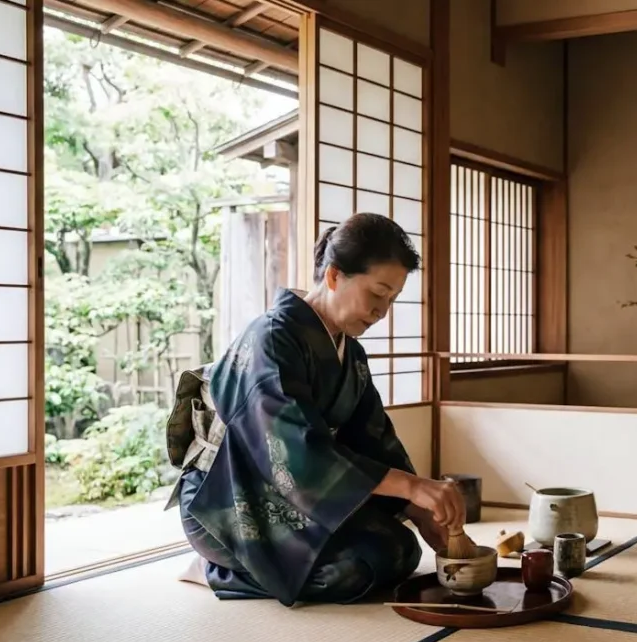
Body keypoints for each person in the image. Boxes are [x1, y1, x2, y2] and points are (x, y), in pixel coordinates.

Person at [166, 212, 464, 607]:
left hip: (284, 492)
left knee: (400, 549)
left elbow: (373, 439)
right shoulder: (271, 340)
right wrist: (412, 486)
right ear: (334, 275)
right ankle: (217, 570)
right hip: (226, 500)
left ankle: (263, 566)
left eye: (391, 300)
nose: (382, 312)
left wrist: (420, 509)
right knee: (357, 567)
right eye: (377, 293)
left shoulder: (350, 353)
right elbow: (297, 455)